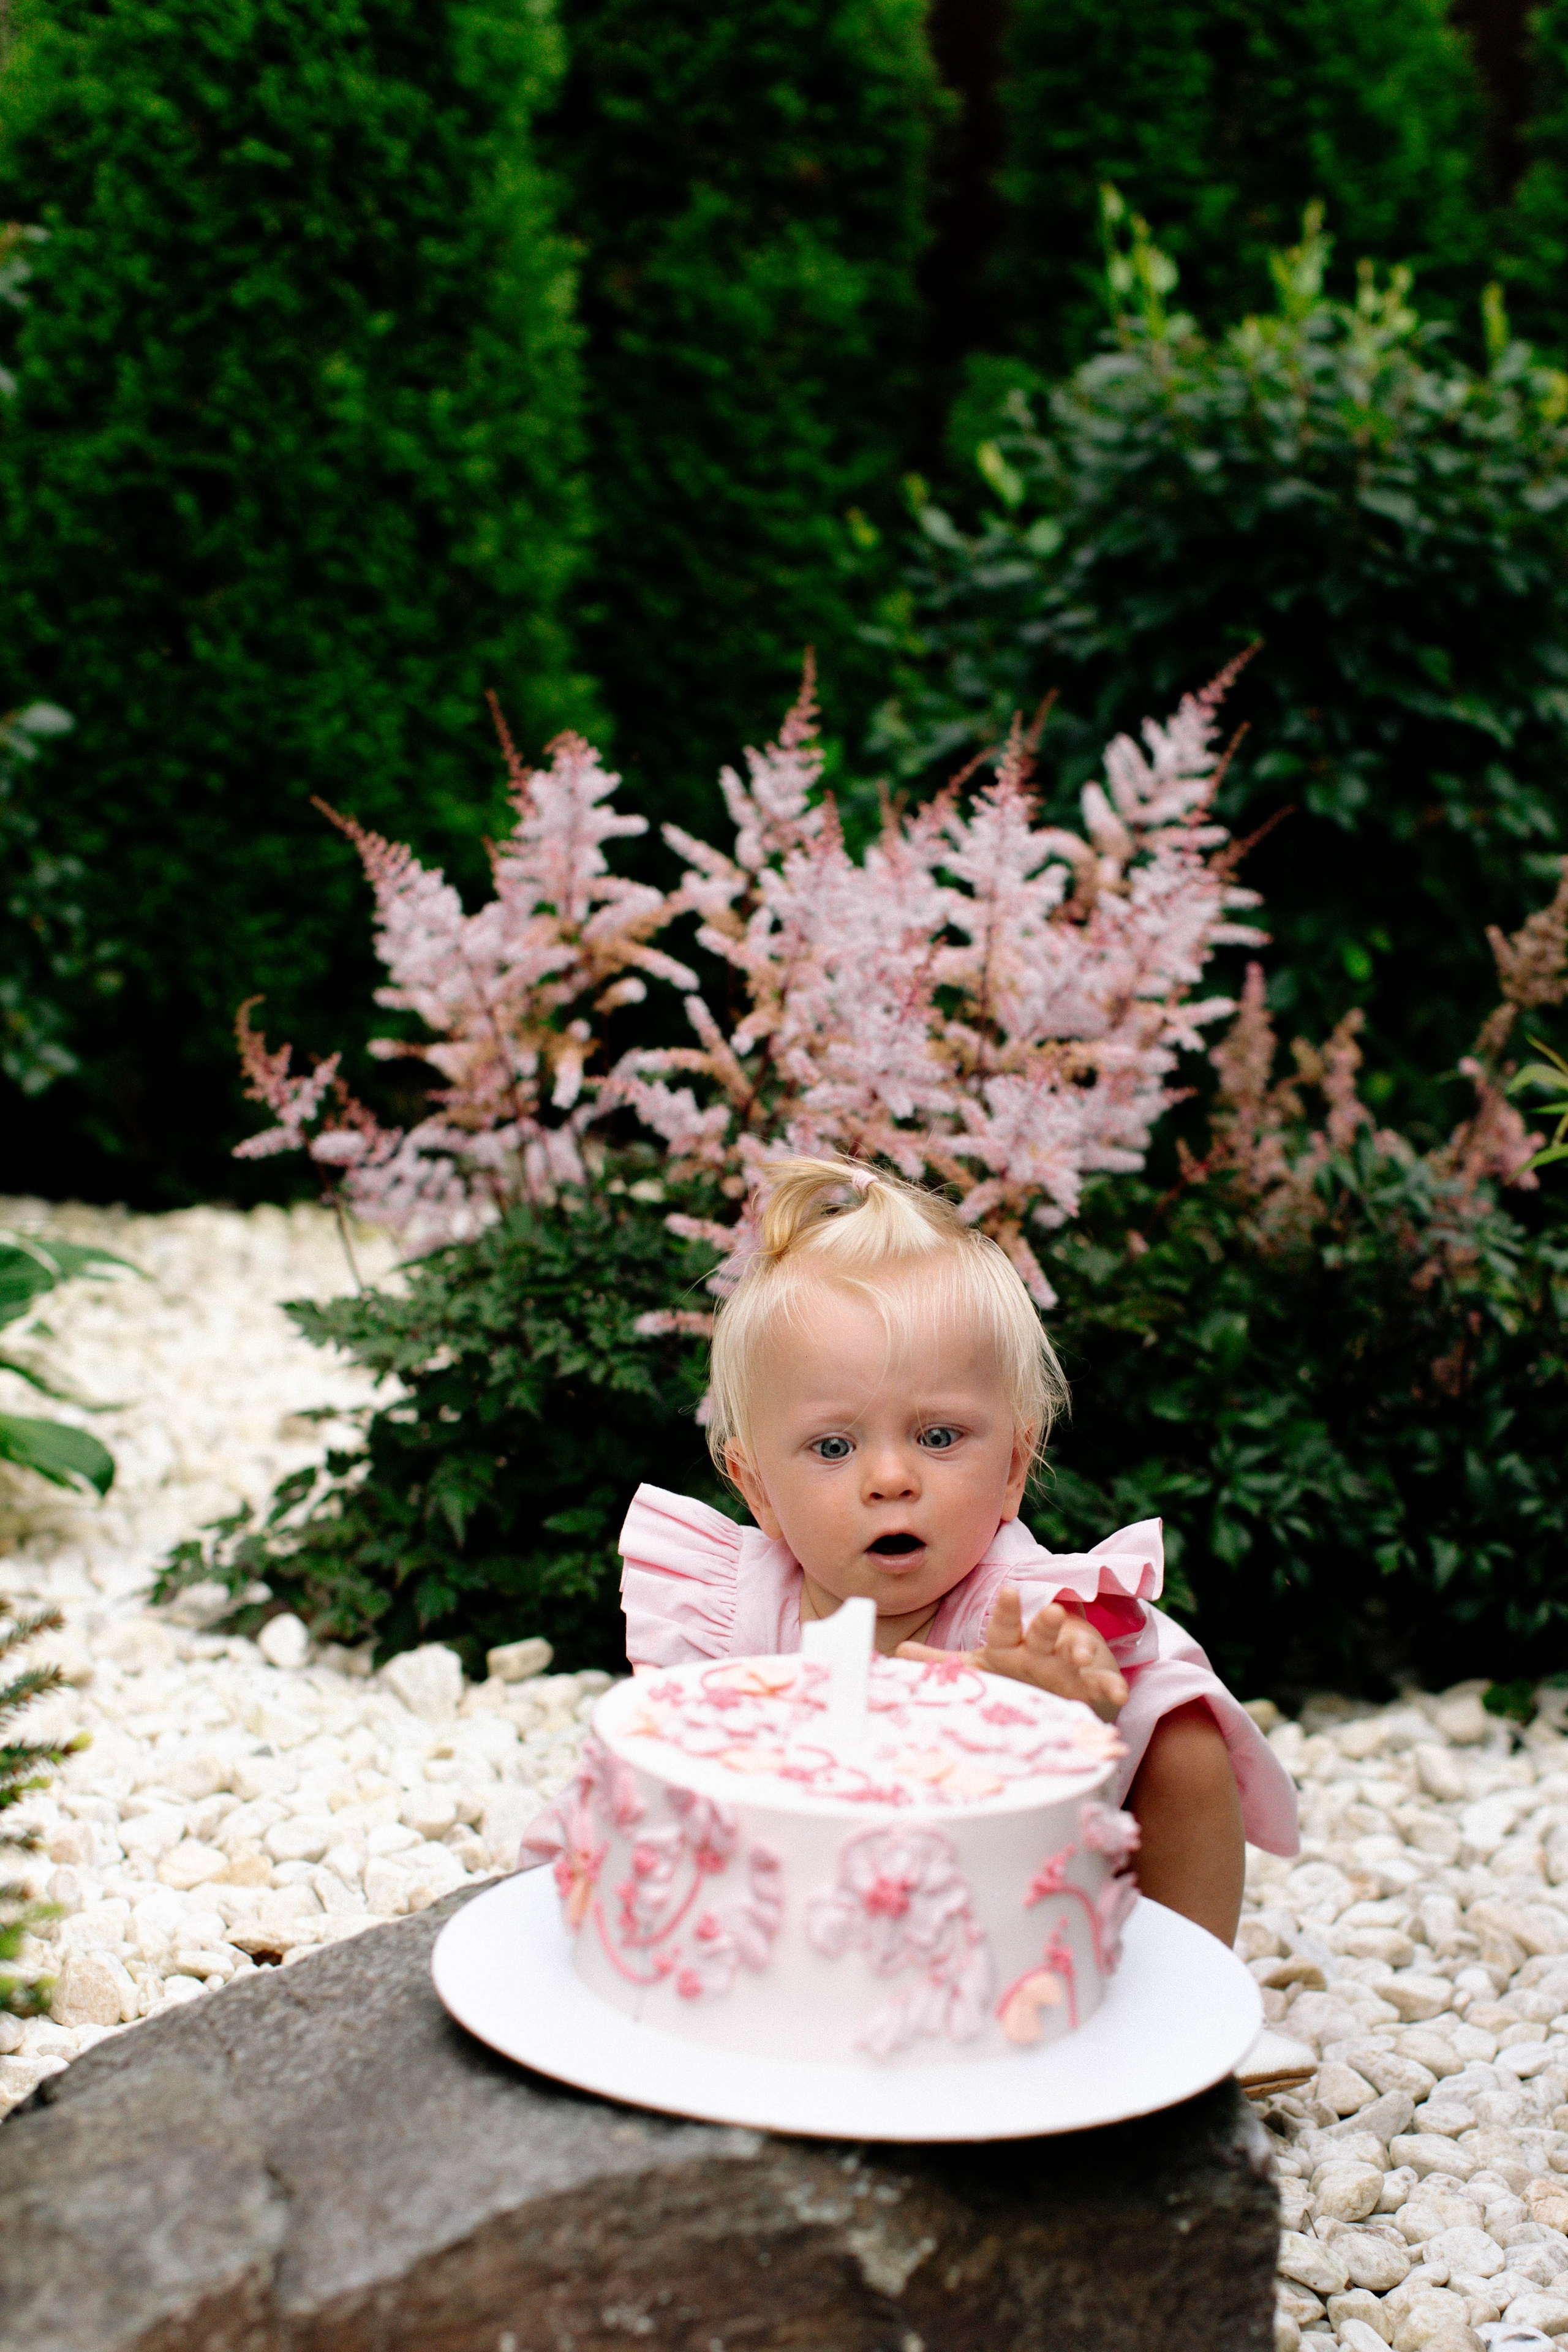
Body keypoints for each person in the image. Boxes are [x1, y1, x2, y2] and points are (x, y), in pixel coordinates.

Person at [619, 1156, 1298, 1945]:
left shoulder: (1019, 1611)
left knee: (1179, 1738)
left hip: (1027, 1911)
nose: (890, 1479)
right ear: (757, 1487)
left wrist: (1060, 1700)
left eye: (938, 1437)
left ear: (1013, 1466)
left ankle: (1183, 1992)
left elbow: (1083, 1679)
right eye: (833, 1447)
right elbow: (664, 1781)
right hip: (815, 1914)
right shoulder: (730, 1611)